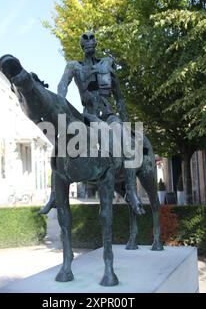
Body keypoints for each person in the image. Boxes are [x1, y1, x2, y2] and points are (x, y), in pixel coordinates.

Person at [39, 31, 143, 215]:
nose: (88, 42)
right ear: (81, 45)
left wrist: (126, 122)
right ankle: (54, 194)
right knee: (61, 145)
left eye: (91, 39)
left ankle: (132, 193)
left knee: (124, 139)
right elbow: (62, 86)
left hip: (108, 116)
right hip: (87, 117)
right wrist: (60, 105)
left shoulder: (107, 64)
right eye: (84, 40)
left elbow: (119, 98)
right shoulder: (73, 66)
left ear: (95, 43)